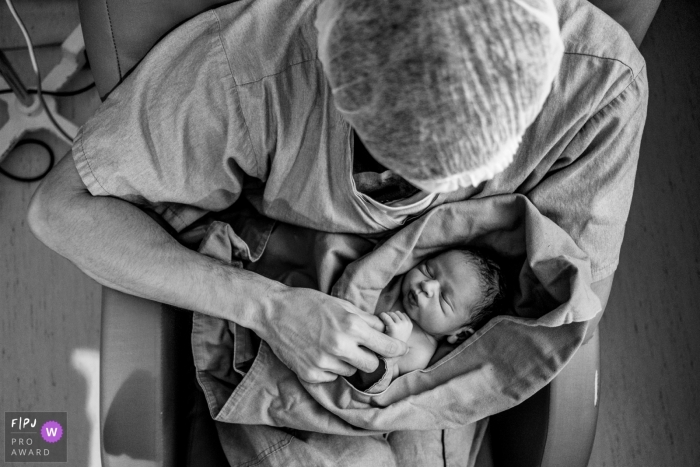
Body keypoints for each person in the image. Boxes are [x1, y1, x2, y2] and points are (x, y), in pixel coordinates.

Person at [26, 0, 648, 464]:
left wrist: (415, 367)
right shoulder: (247, 73)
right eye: (389, 172)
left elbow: (562, 307)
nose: (413, 201)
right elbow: (61, 210)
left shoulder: (598, 87)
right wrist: (268, 307)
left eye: (464, 177)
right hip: (279, 303)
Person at [376, 248, 506, 379]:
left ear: (460, 334)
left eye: (443, 298)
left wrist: (393, 344)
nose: (427, 285)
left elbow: (379, 379)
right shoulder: (395, 282)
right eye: (428, 271)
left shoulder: (419, 351)